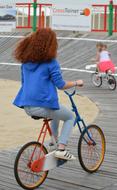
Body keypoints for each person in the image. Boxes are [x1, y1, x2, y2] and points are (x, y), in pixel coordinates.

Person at [13, 28, 83, 161]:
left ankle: (53, 141)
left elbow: (24, 82)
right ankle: (61, 149)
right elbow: (61, 85)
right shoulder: (51, 63)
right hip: (41, 105)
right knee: (70, 117)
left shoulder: (25, 62)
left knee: (56, 109)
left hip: (27, 105)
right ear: (51, 44)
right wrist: (76, 82)